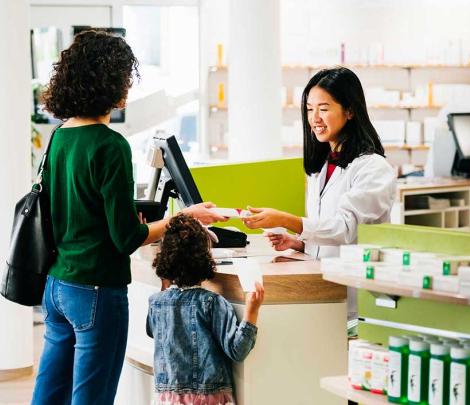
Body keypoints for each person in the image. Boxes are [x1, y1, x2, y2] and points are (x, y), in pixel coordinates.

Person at [30, 31, 226, 405]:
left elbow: (71, 210)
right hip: (97, 288)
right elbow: (126, 238)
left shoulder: (59, 137)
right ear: (110, 82)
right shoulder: (110, 145)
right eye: (124, 77)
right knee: (92, 397)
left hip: (57, 285)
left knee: (49, 393)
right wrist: (182, 218)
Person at [242, 67, 397, 259]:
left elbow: (347, 229)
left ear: (350, 111)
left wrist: (286, 220)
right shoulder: (322, 166)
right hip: (321, 276)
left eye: (323, 109)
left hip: (354, 282)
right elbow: (327, 234)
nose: (314, 119)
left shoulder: (373, 168)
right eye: (309, 109)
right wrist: (298, 243)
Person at [147, 214, 265, 405]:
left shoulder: (156, 302)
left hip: (167, 399)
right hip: (207, 397)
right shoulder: (212, 303)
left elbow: (154, 332)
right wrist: (252, 311)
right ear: (206, 259)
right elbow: (237, 351)